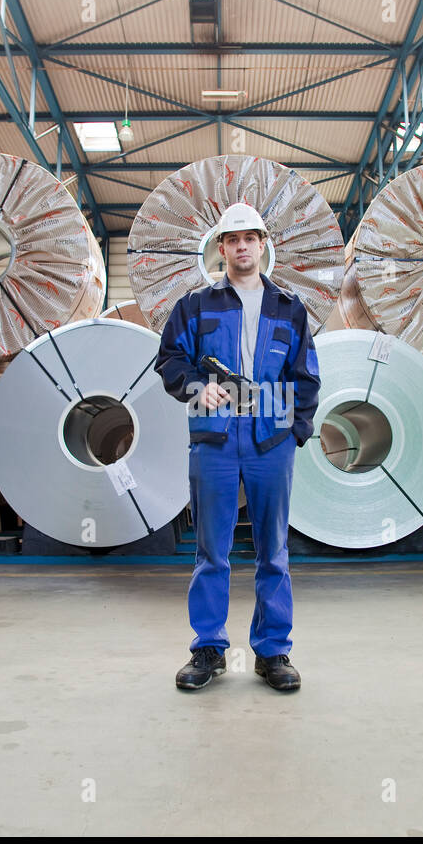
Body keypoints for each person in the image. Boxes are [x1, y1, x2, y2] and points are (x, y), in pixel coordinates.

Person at [154, 202, 321, 692]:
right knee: (213, 549)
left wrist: (296, 431)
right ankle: (208, 648)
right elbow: (169, 359)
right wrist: (194, 388)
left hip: (271, 441)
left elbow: (306, 375)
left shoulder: (289, 307)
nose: (242, 246)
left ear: (263, 244)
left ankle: (273, 652)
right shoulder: (195, 305)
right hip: (215, 438)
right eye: (233, 239)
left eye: (251, 237)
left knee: (273, 550)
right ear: (221, 247)